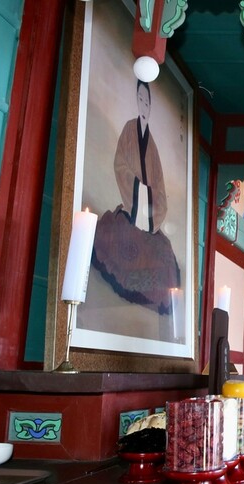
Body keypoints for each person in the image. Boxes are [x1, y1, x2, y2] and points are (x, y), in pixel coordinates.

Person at [92, 79, 180, 316]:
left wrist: (151, 199)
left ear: (150, 106)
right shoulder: (129, 130)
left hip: (148, 214)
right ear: (137, 101)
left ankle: (158, 295)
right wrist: (138, 190)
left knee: (163, 249)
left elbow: (159, 183)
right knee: (122, 238)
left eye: (147, 101)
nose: (143, 105)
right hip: (131, 207)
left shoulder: (152, 144)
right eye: (140, 99)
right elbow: (120, 164)